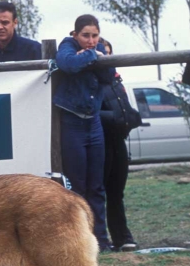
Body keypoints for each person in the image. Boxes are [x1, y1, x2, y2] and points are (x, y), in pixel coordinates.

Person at [54, 14, 114, 252]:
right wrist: (94, 57)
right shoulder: (67, 46)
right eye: (85, 36)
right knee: (76, 186)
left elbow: (108, 75)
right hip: (72, 123)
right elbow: (67, 63)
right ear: (75, 35)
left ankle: (102, 239)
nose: (90, 41)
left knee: (96, 186)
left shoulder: (98, 49)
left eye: (94, 36)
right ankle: (79, 239)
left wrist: (90, 58)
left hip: (94, 123)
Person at [99, 38, 141, 252]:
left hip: (118, 141)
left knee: (117, 192)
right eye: (102, 53)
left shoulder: (117, 82)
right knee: (97, 191)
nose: (106, 58)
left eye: (109, 53)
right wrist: (115, 118)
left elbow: (126, 109)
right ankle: (100, 238)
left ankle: (122, 237)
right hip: (100, 141)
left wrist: (133, 118)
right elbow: (92, 111)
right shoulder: (93, 80)